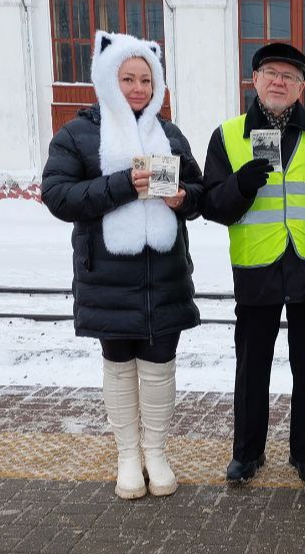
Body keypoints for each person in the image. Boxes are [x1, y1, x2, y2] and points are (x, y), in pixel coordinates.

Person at [41, 31, 203, 499]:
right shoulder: (78, 132)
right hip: (108, 277)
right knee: (118, 365)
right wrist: (121, 186)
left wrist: (183, 197)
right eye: (127, 78)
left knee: (159, 366)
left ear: (157, 84)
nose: (137, 88)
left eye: (145, 80)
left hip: (164, 276)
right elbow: (57, 194)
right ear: (108, 79)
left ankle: (157, 451)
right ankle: (128, 455)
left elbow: (198, 194)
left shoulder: (168, 133)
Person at [202, 43, 305, 485]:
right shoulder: (227, 135)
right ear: (255, 80)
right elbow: (212, 206)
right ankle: (246, 453)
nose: (279, 82)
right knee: (251, 366)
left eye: (290, 76)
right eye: (270, 73)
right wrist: (238, 186)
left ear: (302, 88)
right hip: (257, 266)